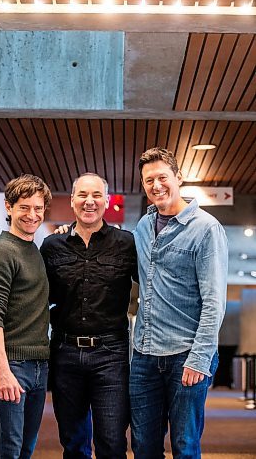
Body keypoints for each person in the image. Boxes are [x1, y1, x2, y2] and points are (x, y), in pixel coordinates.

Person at [129, 148, 228, 458]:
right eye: (148, 180)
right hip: (144, 354)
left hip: (186, 355)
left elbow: (214, 302)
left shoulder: (205, 228)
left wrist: (199, 358)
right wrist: (67, 233)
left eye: (162, 177)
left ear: (178, 178)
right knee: (143, 446)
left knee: (184, 447)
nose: (156, 185)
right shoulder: (143, 227)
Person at [40, 172, 138, 459]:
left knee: (111, 441)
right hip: (65, 352)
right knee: (73, 442)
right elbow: (32, 287)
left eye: (96, 195)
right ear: (72, 201)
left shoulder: (126, 243)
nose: (89, 201)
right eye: (82, 195)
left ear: (106, 201)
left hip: (111, 354)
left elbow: (155, 279)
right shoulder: (51, 246)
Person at [0, 174, 52, 459]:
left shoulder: (33, 251)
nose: (32, 215)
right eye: (24, 207)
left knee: (23, 451)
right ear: (9, 207)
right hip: (10, 366)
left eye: (37, 208)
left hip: (36, 366)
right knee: (5, 453)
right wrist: (2, 370)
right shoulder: (1, 251)